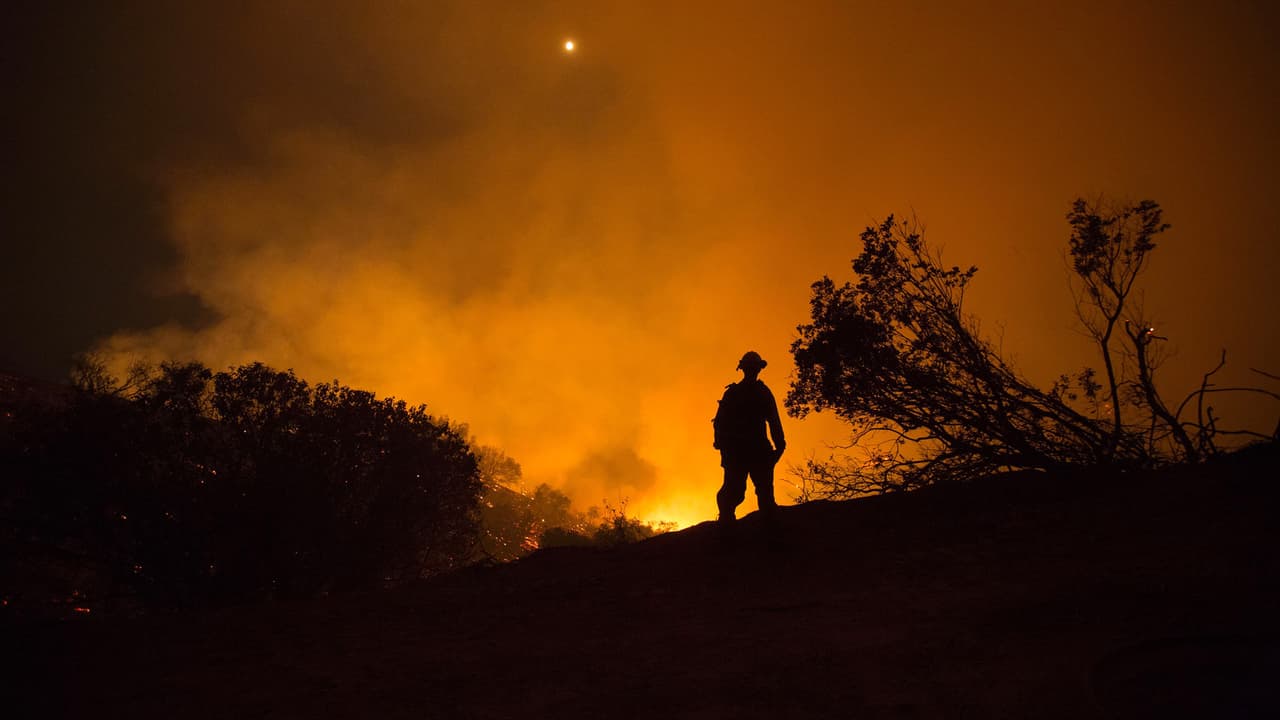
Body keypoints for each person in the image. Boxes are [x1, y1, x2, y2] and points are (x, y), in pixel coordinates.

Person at [712, 350, 785, 522]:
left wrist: (723, 446)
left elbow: (719, 424)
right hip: (751, 451)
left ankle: (727, 526)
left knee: (740, 493)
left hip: (743, 452)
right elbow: (774, 421)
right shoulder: (761, 392)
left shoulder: (734, 393)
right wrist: (779, 447)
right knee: (751, 493)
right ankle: (729, 526)